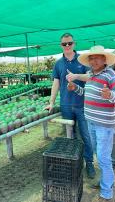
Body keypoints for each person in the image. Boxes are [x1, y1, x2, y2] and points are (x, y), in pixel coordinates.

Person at [68, 45, 115, 201]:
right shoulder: (90, 75)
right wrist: (75, 87)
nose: (94, 60)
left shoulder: (111, 75)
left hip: (104, 125)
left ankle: (107, 191)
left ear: (104, 59)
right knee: (99, 155)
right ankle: (106, 181)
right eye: (91, 58)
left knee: (104, 158)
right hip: (91, 122)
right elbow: (87, 93)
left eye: (97, 57)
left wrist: (109, 95)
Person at [45, 33, 96, 179]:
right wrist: (51, 102)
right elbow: (56, 83)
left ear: (74, 44)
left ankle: (89, 163)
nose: (67, 46)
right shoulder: (58, 63)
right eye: (64, 44)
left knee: (86, 135)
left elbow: (90, 77)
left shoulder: (83, 61)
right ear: (61, 45)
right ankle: (74, 163)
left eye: (69, 43)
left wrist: (76, 76)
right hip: (66, 105)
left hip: (82, 105)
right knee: (70, 136)